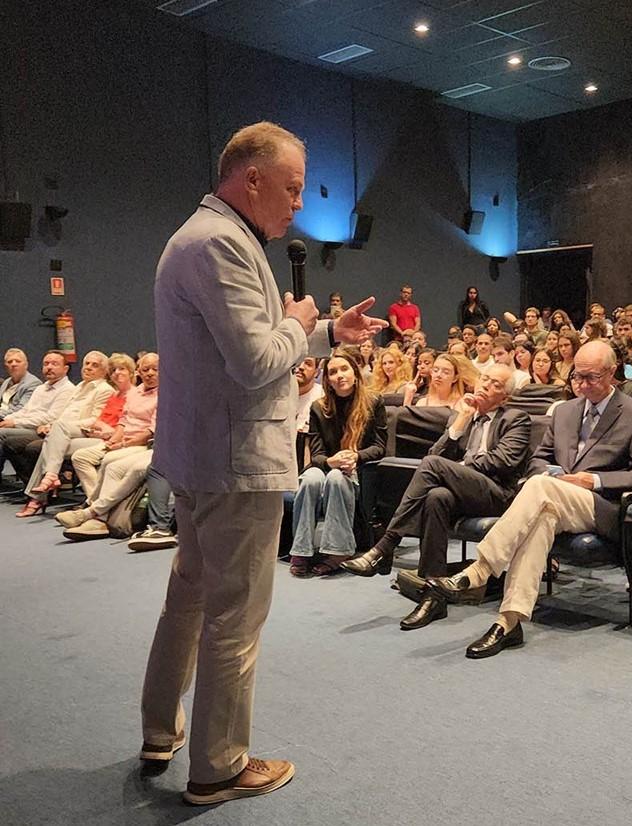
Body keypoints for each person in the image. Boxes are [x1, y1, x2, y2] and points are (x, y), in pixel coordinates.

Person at [137, 121, 386, 806]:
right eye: (293, 187)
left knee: (187, 597)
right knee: (233, 618)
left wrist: (328, 329)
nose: (299, 203)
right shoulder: (222, 243)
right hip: (234, 461)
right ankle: (218, 766)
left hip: (200, 456)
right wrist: (301, 319)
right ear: (251, 178)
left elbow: (245, 343)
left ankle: (162, 730)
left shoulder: (202, 235)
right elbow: (256, 362)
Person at [427, 341, 632, 659]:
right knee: (542, 514)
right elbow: (538, 459)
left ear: (611, 373)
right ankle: (509, 622)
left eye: (591, 377)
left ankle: (480, 569)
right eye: (578, 376)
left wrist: (593, 480)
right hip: (555, 497)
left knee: (539, 488)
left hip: (603, 507)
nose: (583, 384)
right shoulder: (564, 411)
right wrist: (552, 474)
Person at [342, 364, 531, 629]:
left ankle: (386, 546)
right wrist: (460, 424)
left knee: (434, 466)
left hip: (497, 495)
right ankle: (433, 595)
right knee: (436, 497)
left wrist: (456, 470)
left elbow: (503, 461)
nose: (486, 385)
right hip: (462, 492)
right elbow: (436, 452)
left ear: (505, 397)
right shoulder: (463, 415)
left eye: (495, 384)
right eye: (484, 379)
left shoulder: (516, 418)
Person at [289, 351, 387, 577]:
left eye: (344, 369)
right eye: (333, 372)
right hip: (326, 465)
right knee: (311, 479)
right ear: (327, 380)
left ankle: (338, 552)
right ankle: (301, 550)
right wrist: (330, 461)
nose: (339, 375)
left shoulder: (373, 401)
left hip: (355, 470)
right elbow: (316, 454)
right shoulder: (318, 407)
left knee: (335, 478)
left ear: (355, 373)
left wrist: (356, 456)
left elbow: (380, 446)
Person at [16, 352, 135, 517]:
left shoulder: (115, 392)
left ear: (132, 372)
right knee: (53, 442)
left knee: (52, 443)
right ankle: (47, 485)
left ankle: (40, 495)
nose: (116, 373)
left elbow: (118, 423)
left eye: (95, 365)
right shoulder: (106, 393)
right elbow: (98, 419)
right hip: (86, 432)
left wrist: (105, 431)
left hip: (104, 438)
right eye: (114, 370)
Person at [0, 348, 41, 421]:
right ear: (6, 366)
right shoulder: (6, 382)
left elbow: (21, 410)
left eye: (18, 361)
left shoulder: (33, 383)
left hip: (15, 421)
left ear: (26, 365)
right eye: (10, 362)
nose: (13, 364)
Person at [294, 357, 323, 435]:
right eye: (297, 362)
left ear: (316, 372)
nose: (301, 367)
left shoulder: (323, 397)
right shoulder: (278, 395)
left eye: (308, 364)